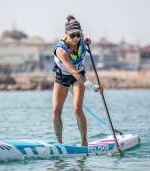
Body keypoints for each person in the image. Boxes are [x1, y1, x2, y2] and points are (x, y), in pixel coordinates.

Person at [52, 15, 104, 146]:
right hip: (63, 78)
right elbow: (73, 71)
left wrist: (85, 42)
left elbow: (77, 73)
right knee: (56, 110)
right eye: (72, 35)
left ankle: (84, 142)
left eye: (78, 35)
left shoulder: (80, 39)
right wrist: (92, 86)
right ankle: (60, 145)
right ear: (65, 34)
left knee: (77, 109)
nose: (75, 38)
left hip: (78, 78)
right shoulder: (61, 50)